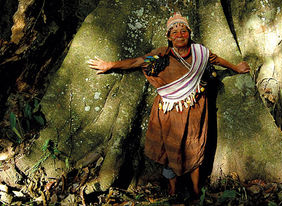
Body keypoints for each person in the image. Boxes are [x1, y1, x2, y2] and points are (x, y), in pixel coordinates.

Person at [88, 13, 250, 198]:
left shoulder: (200, 53)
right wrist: (111, 65)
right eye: (174, 32)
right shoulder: (161, 54)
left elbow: (217, 60)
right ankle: (173, 189)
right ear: (169, 36)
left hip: (195, 109)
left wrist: (236, 68)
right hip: (169, 111)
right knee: (170, 150)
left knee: (194, 147)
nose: (179, 35)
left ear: (189, 33)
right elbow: (138, 61)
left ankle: (196, 190)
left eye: (183, 31)